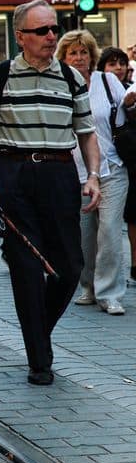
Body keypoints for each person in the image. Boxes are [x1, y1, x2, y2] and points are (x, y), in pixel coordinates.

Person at [0, 0, 102, 386]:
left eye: (54, 28)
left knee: (70, 268)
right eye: (42, 31)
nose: (52, 36)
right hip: (14, 172)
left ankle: (37, 334)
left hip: (60, 172)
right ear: (20, 37)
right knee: (26, 267)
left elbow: (86, 132)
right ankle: (39, 358)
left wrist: (94, 175)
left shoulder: (71, 78)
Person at [56, 32, 130, 315]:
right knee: (84, 236)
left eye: (84, 52)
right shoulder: (60, 86)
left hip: (111, 168)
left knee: (110, 232)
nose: (79, 58)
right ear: (63, 58)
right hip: (74, 171)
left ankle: (110, 292)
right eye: (73, 53)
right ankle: (88, 286)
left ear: (91, 56)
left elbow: (126, 110)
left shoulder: (107, 81)